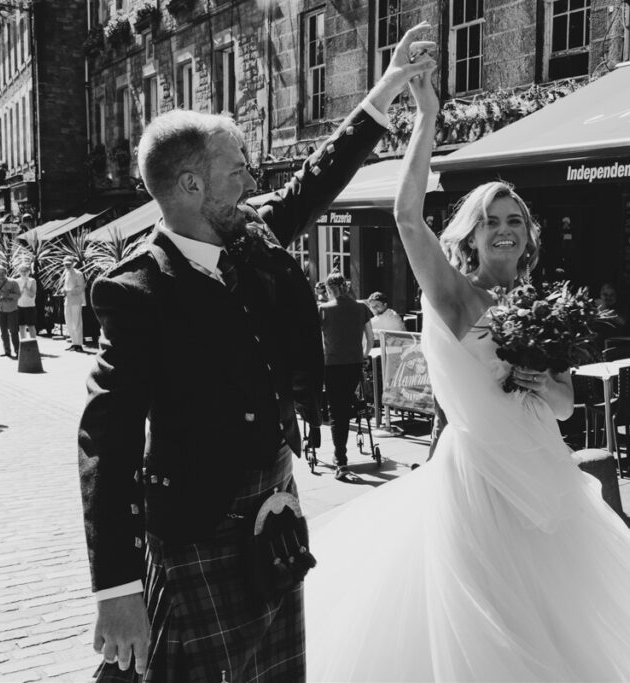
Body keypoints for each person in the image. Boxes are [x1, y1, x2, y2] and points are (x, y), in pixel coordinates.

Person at [302, 50, 630, 681]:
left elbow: (564, 408)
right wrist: (426, 116)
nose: (503, 231)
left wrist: (545, 379)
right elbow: (407, 217)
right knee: (489, 629)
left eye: (514, 222)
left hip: (544, 477)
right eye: (490, 222)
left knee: (558, 623)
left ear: (528, 235)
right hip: (479, 483)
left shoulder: (537, 305)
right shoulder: (454, 296)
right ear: (469, 235)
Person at [76, 24, 434, 682]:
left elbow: (314, 180)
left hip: (273, 507)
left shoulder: (251, 233)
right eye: (234, 164)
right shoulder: (136, 290)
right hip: (197, 526)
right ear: (190, 186)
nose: (249, 172)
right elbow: (107, 437)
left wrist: (387, 87)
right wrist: (117, 589)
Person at [320, 272, 374, 481]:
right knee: (346, 400)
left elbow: (317, 340)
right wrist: (364, 354)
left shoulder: (323, 310)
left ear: (328, 289)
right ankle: (356, 404)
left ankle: (340, 458)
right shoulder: (361, 307)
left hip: (332, 364)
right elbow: (370, 337)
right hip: (354, 363)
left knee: (337, 412)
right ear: (346, 287)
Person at [0, 266, 20, 358]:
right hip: (0, 310)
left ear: (6, 273)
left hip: (12, 309)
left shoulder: (13, 282)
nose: (1, 275)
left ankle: (18, 351)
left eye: (3, 273)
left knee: (14, 331)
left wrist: (9, 295)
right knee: (3, 332)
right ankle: (7, 351)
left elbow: (18, 295)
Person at [62, 256, 87, 352]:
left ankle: (79, 344)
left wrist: (69, 291)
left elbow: (81, 288)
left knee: (77, 322)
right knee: (68, 322)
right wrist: (64, 291)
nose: (67, 266)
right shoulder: (66, 273)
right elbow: (66, 286)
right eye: (65, 264)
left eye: (69, 264)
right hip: (68, 301)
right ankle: (74, 343)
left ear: (73, 263)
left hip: (76, 301)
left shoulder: (78, 274)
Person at [15, 263, 38, 341]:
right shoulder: (16, 281)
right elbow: (17, 295)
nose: (24, 272)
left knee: (31, 326)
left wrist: (25, 288)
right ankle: (23, 343)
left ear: (29, 271)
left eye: (26, 271)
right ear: (19, 272)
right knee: (21, 326)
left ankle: (33, 343)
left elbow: (32, 295)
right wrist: (21, 290)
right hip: (19, 306)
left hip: (30, 306)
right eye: (22, 271)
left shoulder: (32, 280)